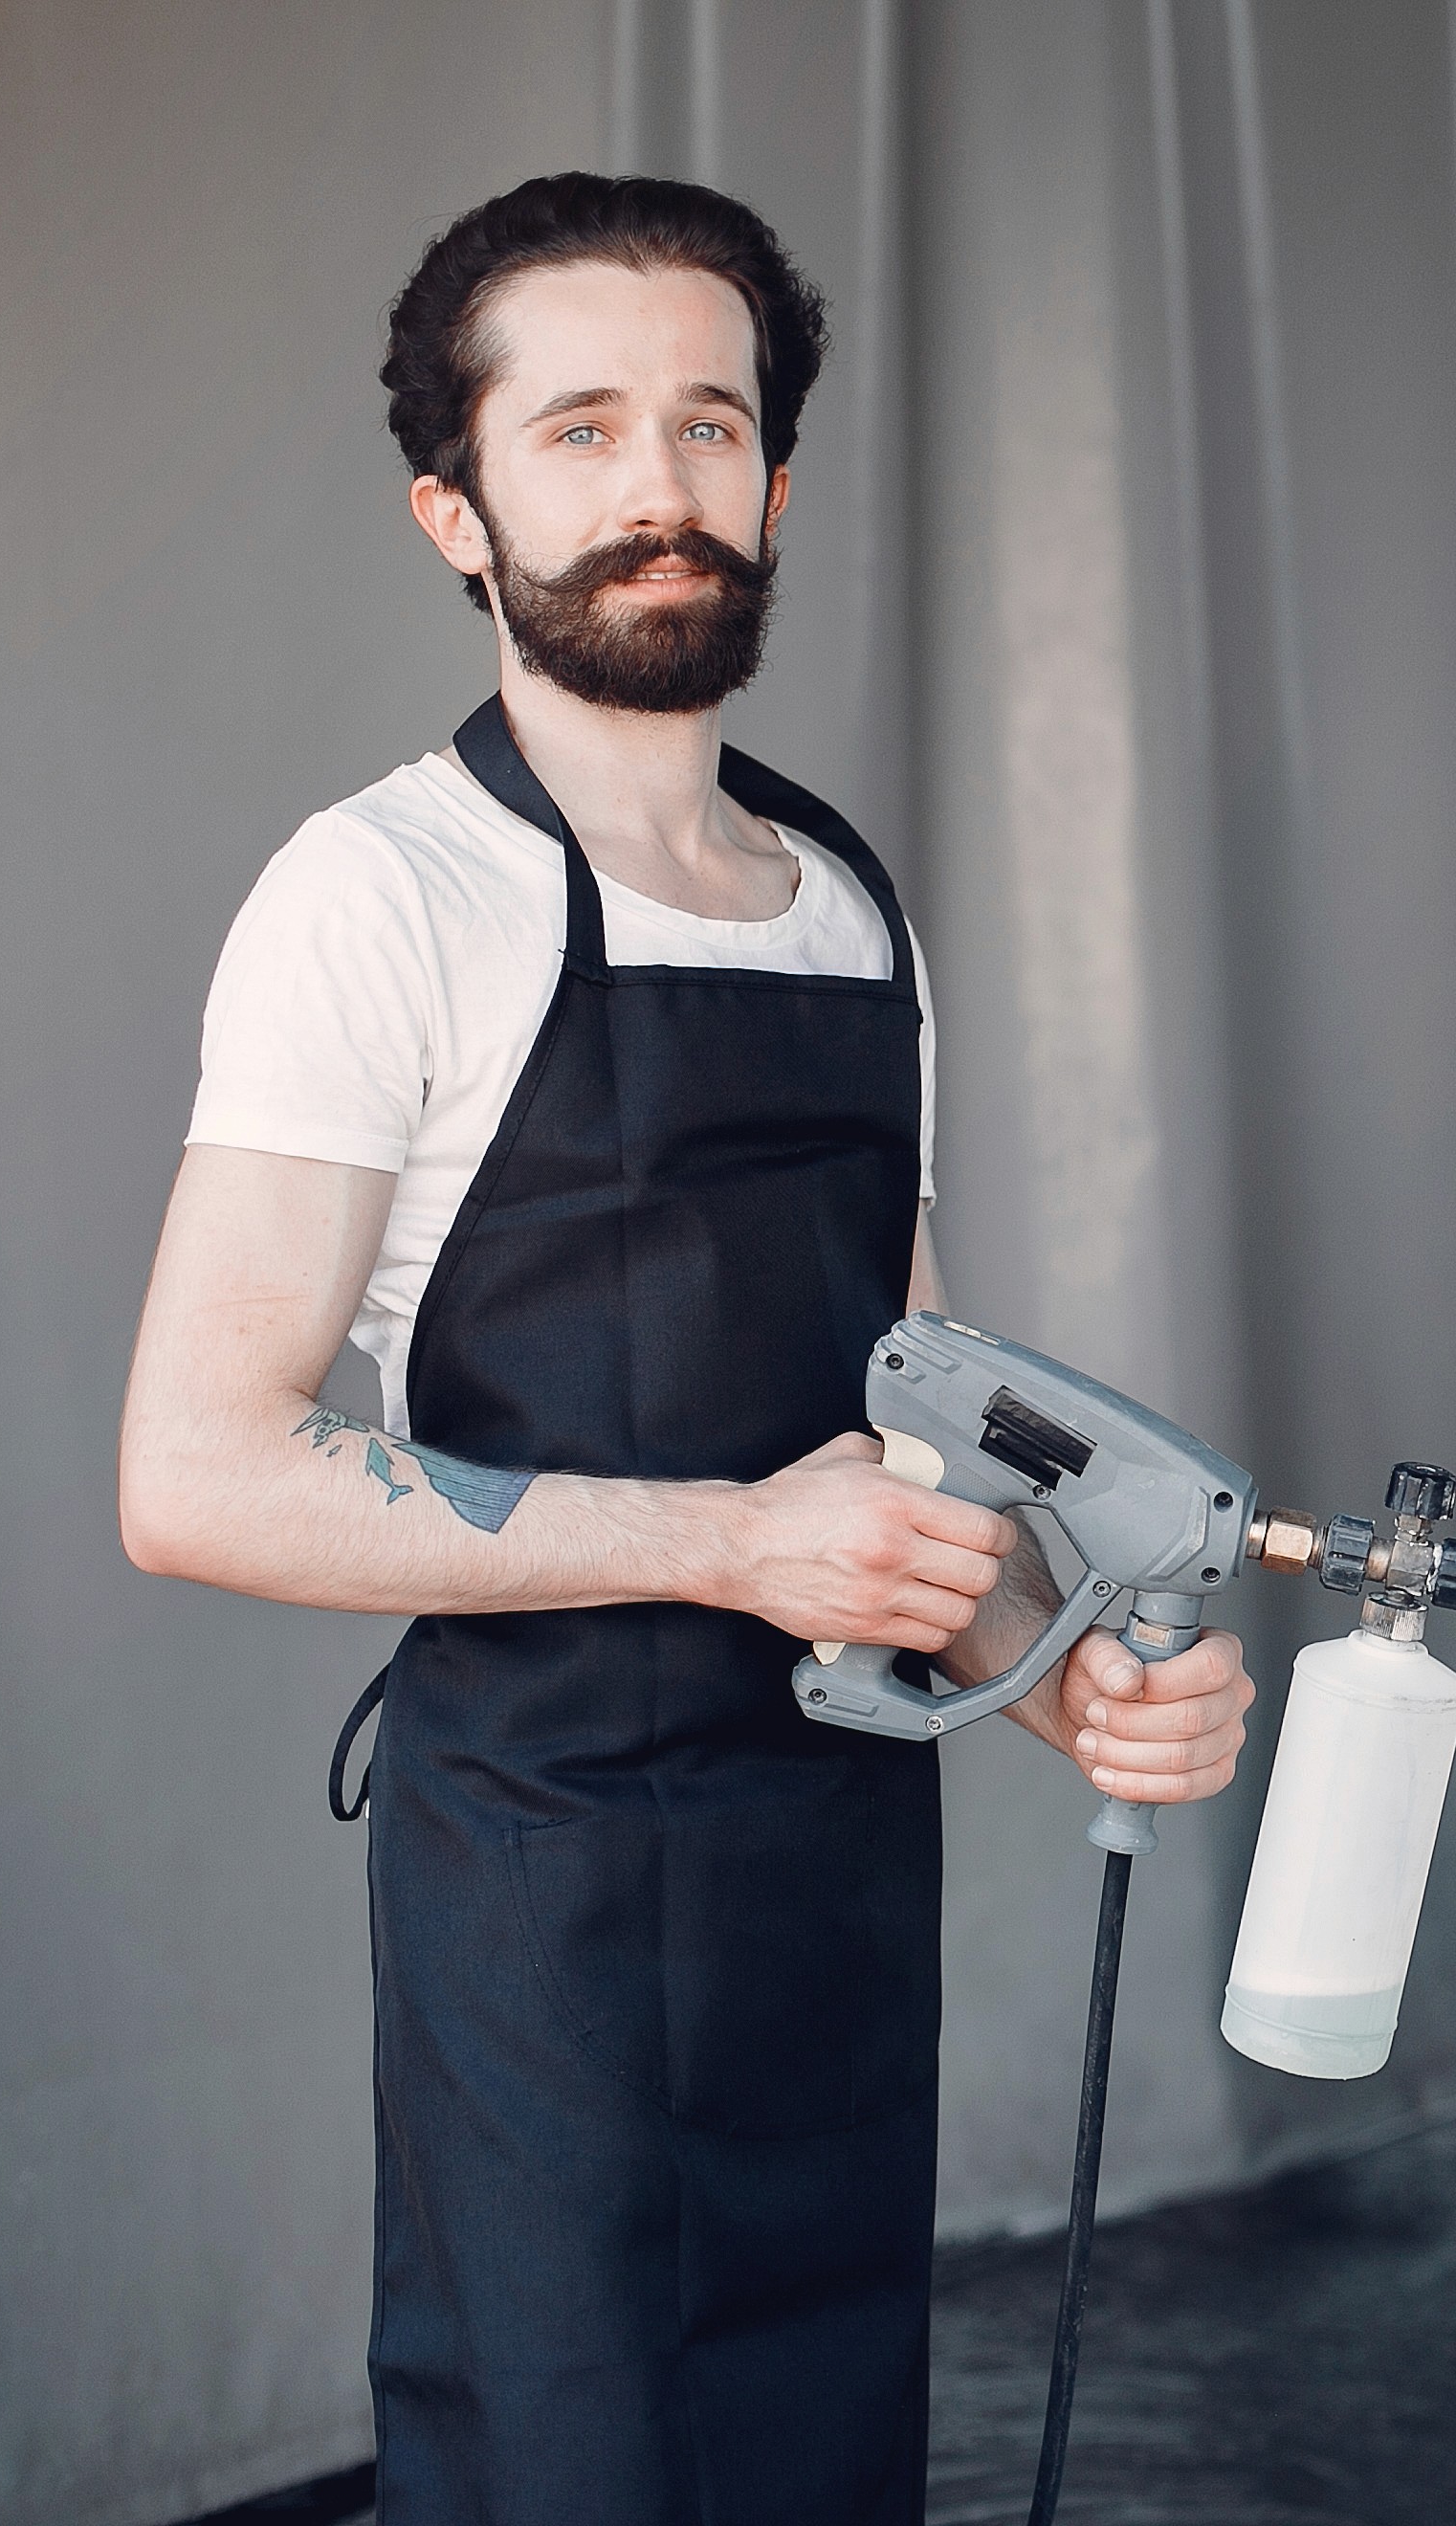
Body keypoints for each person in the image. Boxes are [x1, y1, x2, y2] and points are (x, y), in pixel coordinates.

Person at [115, 173, 1257, 2522]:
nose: (662, 488)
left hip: (834, 1872)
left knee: (818, 2458)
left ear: (775, 485)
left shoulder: (849, 903)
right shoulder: (381, 895)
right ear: (458, 505)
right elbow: (199, 1473)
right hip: (541, 1884)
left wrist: (1064, 1678)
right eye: (584, 431)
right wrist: (737, 1544)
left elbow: (919, 1439)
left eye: (713, 428)